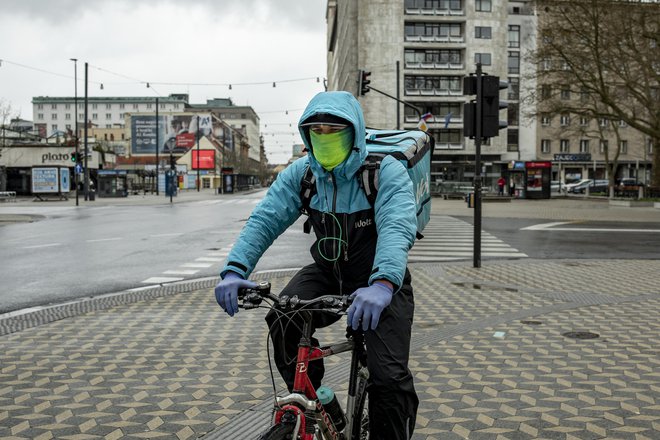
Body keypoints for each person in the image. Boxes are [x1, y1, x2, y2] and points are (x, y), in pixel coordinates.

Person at [214, 91, 418, 439]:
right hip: (326, 272)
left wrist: (383, 284)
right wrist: (235, 269)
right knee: (281, 317)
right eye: (316, 130)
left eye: (333, 129)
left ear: (353, 133)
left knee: (389, 378)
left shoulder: (384, 172)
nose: (324, 136)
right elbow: (265, 219)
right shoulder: (303, 174)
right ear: (306, 136)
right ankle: (316, 400)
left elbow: (397, 226)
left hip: (377, 281)